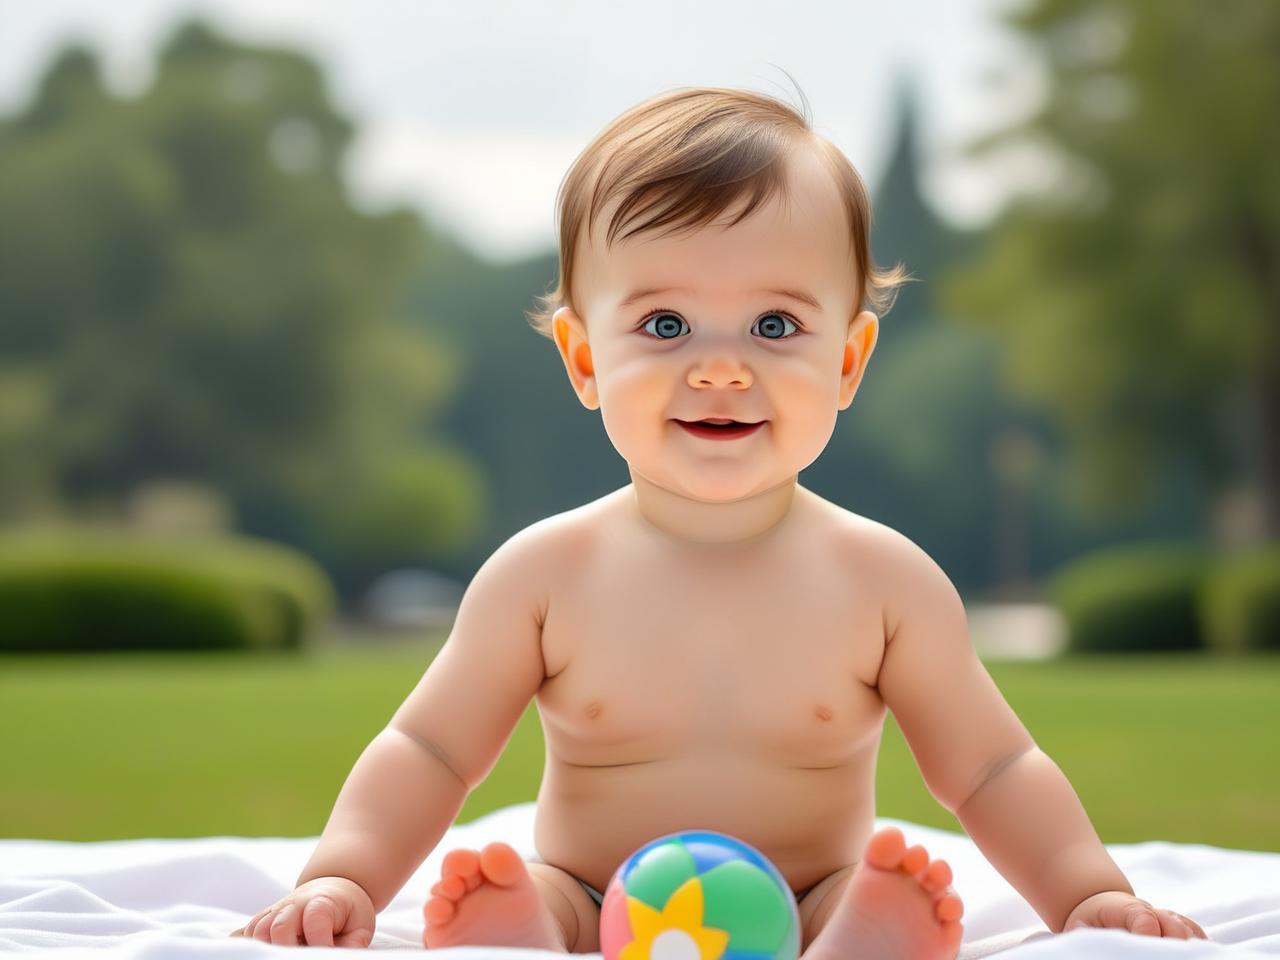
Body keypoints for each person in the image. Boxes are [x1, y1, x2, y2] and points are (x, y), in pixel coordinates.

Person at [231, 84, 1208, 956]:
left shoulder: (884, 581)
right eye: (665, 326)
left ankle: (865, 935)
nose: (721, 367)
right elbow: (430, 749)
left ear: (846, 363)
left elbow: (992, 767)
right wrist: (343, 876)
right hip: (591, 893)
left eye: (775, 326)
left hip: (809, 893)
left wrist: (1088, 894)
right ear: (584, 360)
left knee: (861, 890)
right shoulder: (544, 574)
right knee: (536, 888)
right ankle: (522, 933)